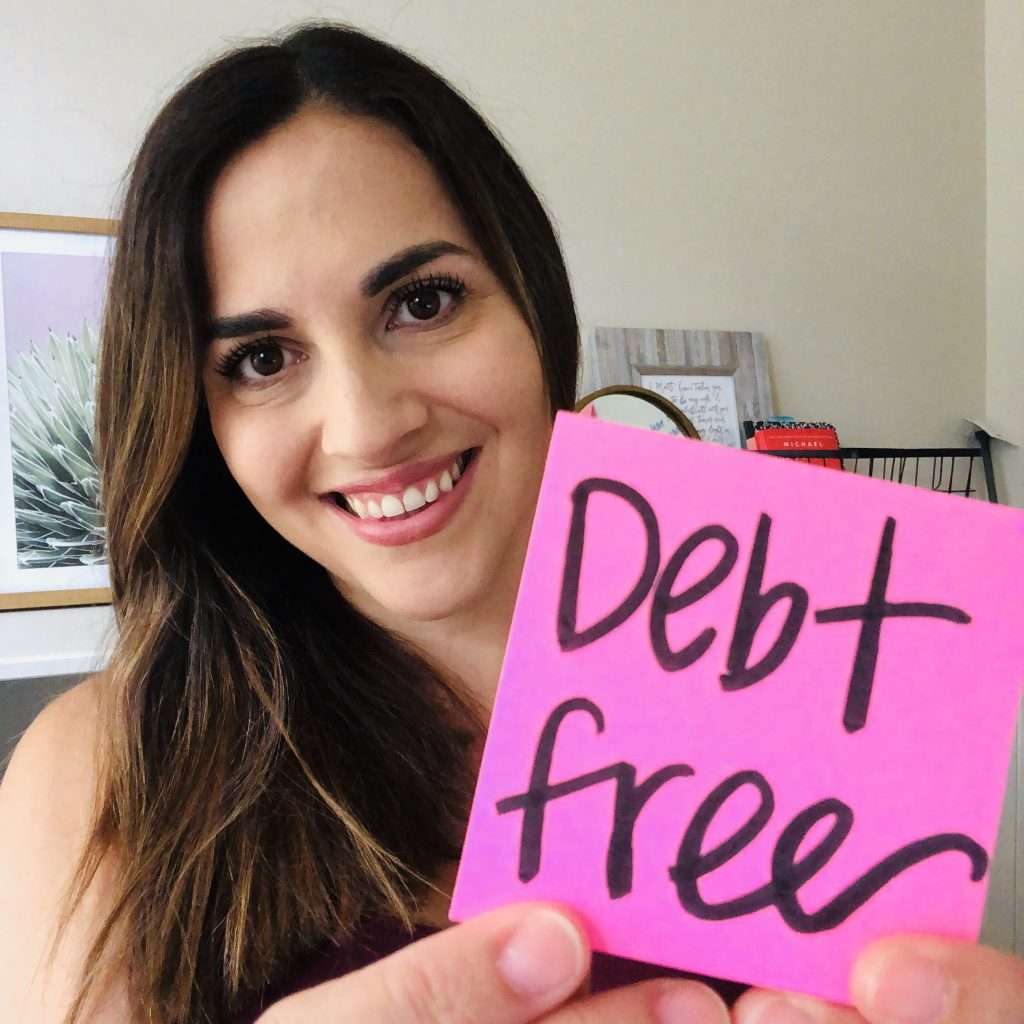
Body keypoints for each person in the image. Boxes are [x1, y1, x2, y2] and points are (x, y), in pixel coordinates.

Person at [0, 20, 1021, 1024]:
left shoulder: (799, 665)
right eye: (261, 360)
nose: (368, 427)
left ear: (534, 303)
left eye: (423, 302)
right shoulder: (105, 774)